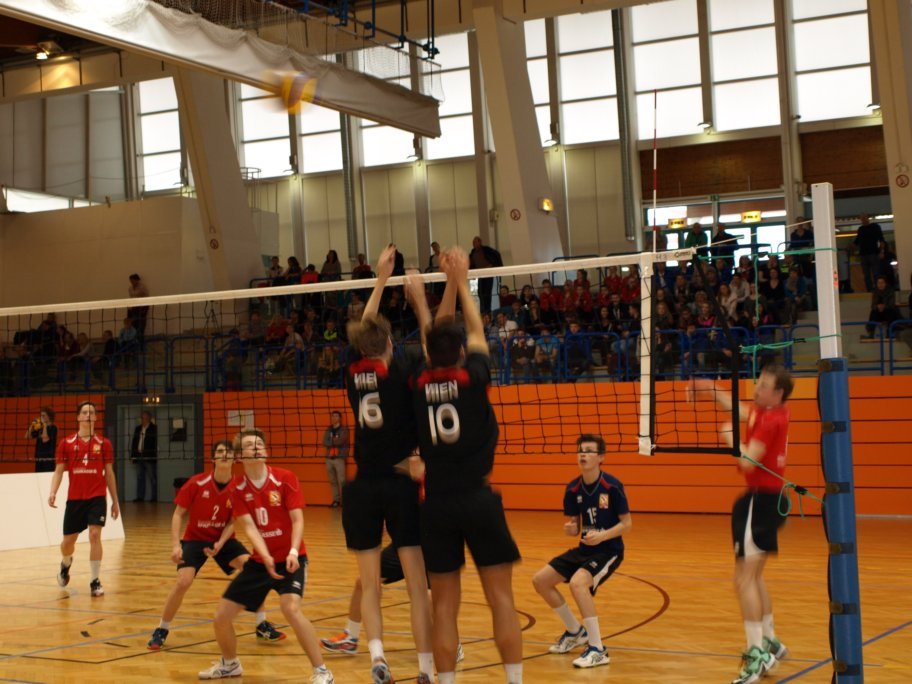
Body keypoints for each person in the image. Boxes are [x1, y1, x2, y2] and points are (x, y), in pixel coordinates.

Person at [411, 246, 523, 684]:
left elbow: (434, 341)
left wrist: (425, 300)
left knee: (443, 606)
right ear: (460, 352)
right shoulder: (473, 378)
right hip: (477, 499)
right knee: (501, 599)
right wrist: (461, 279)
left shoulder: (418, 385)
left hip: (436, 505)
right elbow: (475, 330)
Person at [343, 244, 435, 684]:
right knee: (418, 585)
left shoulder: (353, 374)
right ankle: (425, 668)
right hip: (400, 483)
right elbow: (434, 349)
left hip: (362, 487)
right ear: (392, 346)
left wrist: (380, 278)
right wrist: (417, 301)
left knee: (370, 582)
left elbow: (365, 329)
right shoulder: (403, 372)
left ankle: (377, 656)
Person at [198, 428, 333, 682]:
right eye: (251, 445)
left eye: (260, 444)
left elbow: (298, 520)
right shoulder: (237, 488)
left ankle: (322, 672)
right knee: (221, 617)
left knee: (290, 609)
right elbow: (249, 527)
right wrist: (265, 556)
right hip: (260, 564)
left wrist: (293, 551)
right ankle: (230, 664)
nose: (257, 447)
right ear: (240, 456)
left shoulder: (285, 478)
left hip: (292, 559)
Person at [696, 366, 794, 684]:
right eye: (758, 382)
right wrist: (712, 391)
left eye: (763, 385)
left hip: (760, 503)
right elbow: (741, 410)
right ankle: (770, 640)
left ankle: (757, 654)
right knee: (753, 577)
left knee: (744, 580)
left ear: (777, 393)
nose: (756, 388)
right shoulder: (771, 411)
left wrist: (729, 436)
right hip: (767, 500)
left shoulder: (771, 420)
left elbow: (748, 461)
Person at [147, 441, 285, 650]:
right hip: (195, 539)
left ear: (234, 459)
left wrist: (220, 543)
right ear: (213, 458)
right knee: (183, 582)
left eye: (228, 452)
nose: (224, 455)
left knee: (254, 570)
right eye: (220, 452)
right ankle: (161, 629)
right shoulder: (196, 483)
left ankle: (261, 625)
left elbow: (234, 521)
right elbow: (178, 514)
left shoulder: (239, 487)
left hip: (224, 539)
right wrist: (176, 545)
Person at [531, 434, 631, 669]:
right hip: (584, 549)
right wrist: (571, 528)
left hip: (609, 550)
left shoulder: (612, 486)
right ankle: (575, 632)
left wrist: (602, 536)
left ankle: (598, 649)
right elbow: (575, 526)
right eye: (580, 450)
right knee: (540, 581)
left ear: (601, 457)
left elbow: (627, 524)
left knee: (578, 584)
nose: (583, 454)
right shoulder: (572, 489)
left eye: (588, 450)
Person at [321, 542, 467, 662]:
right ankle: (350, 638)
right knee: (363, 582)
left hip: (431, 547)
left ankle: (452, 644)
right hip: (405, 544)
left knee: (429, 598)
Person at [48, 401, 120, 597]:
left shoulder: (104, 444)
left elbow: (109, 473)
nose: (88, 415)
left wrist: (115, 501)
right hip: (75, 499)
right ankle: (66, 563)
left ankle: (95, 580)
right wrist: (53, 492)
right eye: (85, 412)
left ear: (95, 417)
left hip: (97, 497)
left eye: (92, 412)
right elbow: (59, 471)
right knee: (67, 543)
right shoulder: (66, 443)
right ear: (78, 417)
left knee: (95, 535)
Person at [469, 236, 503, 315]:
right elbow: (471, 263)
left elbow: (495, 257)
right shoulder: (473, 252)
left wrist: (490, 266)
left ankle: (488, 310)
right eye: (473, 243)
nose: (474, 244)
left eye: (475, 242)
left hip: (488, 273)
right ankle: (482, 310)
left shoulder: (487, 250)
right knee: (480, 292)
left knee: (487, 292)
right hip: (480, 274)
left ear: (480, 242)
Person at [322, 410, 349, 508]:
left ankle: (345, 501)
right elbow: (324, 442)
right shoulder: (328, 429)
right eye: (333, 416)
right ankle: (336, 500)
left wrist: (331, 441)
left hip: (339, 458)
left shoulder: (344, 429)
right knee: (333, 481)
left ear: (340, 418)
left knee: (342, 481)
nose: (334, 418)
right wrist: (334, 440)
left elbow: (341, 441)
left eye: (336, 416)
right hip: (329, 458)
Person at [853, 214, 885, 292]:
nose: (863, 220)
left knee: (875, 273)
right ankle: (870, 290)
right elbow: (857, 241)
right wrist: (850, 247)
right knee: (867, 274)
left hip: (873, 253)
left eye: (864, 218)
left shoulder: (875, 227)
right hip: (864, 254)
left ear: (868, 218)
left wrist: (881, 251)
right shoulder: (861, 229)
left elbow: (881, 240)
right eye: (862, 218)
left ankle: (877, 290)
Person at [131, 410, 158, 502]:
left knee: (152, 477)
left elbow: (155, 443)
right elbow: (134, 442)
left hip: (149, 456)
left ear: (149, 418)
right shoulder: (138, 428)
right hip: (139, 456)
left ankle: (154, 497)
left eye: (145, 418)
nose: (143, 420)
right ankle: (140, 497)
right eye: (142, 418)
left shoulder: (154, 428)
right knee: (140, 477)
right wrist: (133, 456)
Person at [27, 406, 58, 473]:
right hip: (39, 458)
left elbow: (45, 440)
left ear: (49, 416)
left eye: (43, 415)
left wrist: (44, 425)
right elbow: (28, 436)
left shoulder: (53, 428)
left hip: (48, 459)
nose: (41, 417)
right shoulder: (40, 428)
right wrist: (32, 425)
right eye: (41, 415)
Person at [127, 273, 150, 337]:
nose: (131, 282)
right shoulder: (130, 288)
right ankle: (133, 336)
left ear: (137, 280)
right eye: (130, 280)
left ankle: (141, 336)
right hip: (134, 307)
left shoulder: (142, 287)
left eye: (133, 280)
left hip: (142, 307)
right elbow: (131, 298)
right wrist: (130, 307)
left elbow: (147, 297)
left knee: (141, 323)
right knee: (133, 322)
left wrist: (144, 307)